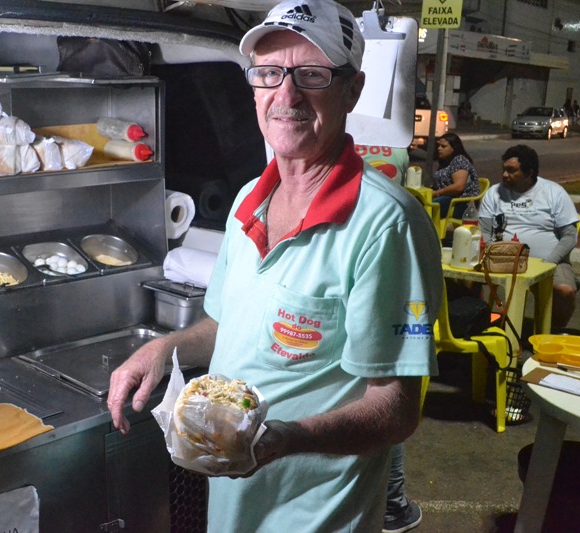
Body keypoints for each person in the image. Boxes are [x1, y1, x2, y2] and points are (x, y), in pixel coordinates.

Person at [107, 0, 443, 531]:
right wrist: (162, 349)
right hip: (235, 505)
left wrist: (289, 439)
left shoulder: (386, 225)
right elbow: (226, 324)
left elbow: (397, 409)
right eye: (268, 73)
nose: (285, 95)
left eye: (310, 75)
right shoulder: (248, 202)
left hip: (315, 515)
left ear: (351, 90)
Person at [359, 145, 424, 532]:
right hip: (385, 264)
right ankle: (393, 503)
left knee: (381, 393)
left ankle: (390, 502)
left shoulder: (326, 141)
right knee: (386, 387)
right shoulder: (398, 149)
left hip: (359, 251)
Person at [478, 144, 580, 331]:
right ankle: (481, 322)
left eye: (511, 171)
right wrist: (493, 251)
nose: (504, 175)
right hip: (502, 259)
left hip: (549, 260)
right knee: (464, 280)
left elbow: (570, 236)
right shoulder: (494, 193)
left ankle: (551, 333)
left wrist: (549, 263)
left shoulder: (553, 192)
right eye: (504, 170)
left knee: (565, 291)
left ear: (529, 172)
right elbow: (484, 229)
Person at [431, 132, 481, 220]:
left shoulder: (459, 160)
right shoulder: (445, 162)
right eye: (438, 146)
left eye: (443, 146)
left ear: (453, 148)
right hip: (448, 199)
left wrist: (437, 193)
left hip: (461, 203)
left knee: (429, 206)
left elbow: (459, 187)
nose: (439, 149)